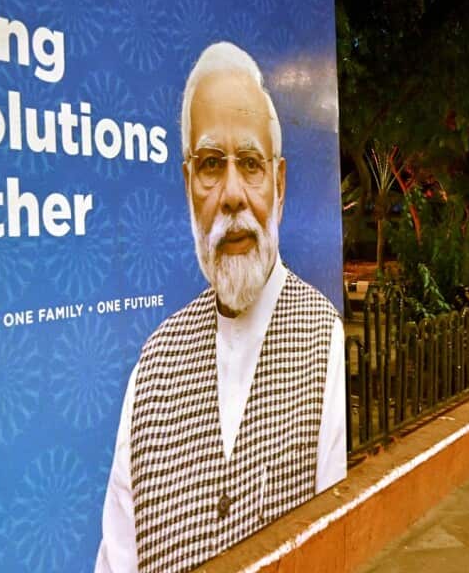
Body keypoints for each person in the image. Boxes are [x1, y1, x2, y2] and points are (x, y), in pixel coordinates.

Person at [95, 42, 346, 573]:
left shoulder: (327, 344)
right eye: (211, 165)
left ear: (278, 185)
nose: (232, 195)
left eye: (250, 165)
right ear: (189, 185)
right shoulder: (153, 364)